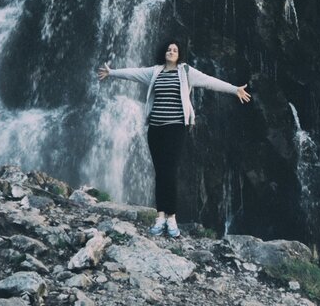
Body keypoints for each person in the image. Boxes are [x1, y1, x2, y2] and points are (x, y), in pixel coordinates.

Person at [97, 40, 250, 238]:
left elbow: (210, 81)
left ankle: (172, 218)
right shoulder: (155, 71)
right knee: (160, 172)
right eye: (169, 49)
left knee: (170, 171)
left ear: (179, 55)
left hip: (176, 129)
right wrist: (112, 72)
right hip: (155, 129)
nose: (171, 51)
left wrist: (234, 89)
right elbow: (133, 73)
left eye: (175, 50)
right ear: (164, 53)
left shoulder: (186, 72)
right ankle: (160, 216)